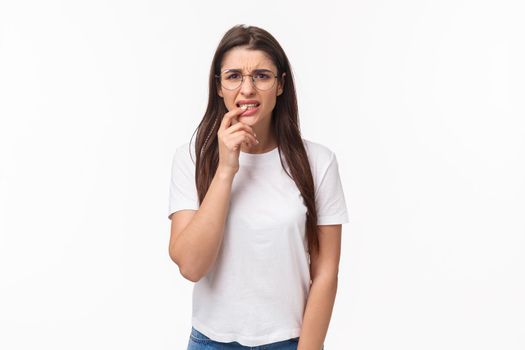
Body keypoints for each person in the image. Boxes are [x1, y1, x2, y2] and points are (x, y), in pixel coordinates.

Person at [168, 24, 349, 350]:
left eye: (262, 76)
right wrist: (226, 169)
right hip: (211, 342)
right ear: (219, 87)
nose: (247, 89)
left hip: (290, 342)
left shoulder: (318, 162)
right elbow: (191, 266)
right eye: (234, 76)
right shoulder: (192, 158)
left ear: (280, 85)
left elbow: (325, 273)